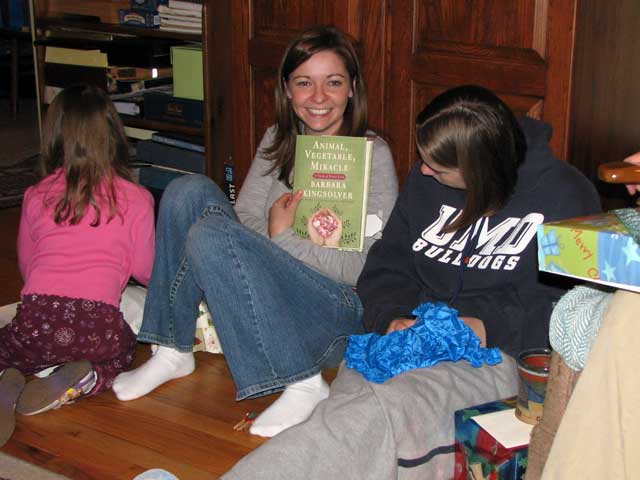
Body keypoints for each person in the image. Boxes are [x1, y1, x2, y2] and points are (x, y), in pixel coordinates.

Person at [221, 85, 601, 479]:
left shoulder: (565, 196)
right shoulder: (427, 182)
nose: (423, 172)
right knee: (350, 416)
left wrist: (482, 325)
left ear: (478, 170)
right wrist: (393, 316)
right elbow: (386, 266)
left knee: (377, 413)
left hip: (497, 353)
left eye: (437, 168)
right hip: (406, 337)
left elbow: (572, 312)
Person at [112, 25, 399, 438]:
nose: (318, 98)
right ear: (287, 90)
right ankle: (172, 348)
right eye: (304, 83)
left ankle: (303, 380)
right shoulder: (278, 139)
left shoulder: (374, 155)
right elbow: (243, 217)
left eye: (333, 83)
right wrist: (270, 238)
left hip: (334, 313)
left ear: (352, 88)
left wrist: (283, 239)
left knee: (210, 237)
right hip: (271, 290)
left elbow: (365, 270)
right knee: (186, 189)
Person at [0, 84, 155, 445]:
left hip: (38, 320)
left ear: (53, 137)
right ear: (115, 136)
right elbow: (146, 270)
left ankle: (9, 374)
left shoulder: (35, 195)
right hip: (96, 326)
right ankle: (88, 379)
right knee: (122, 351)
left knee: (8, 343)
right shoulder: (137, 198)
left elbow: (27, 264)